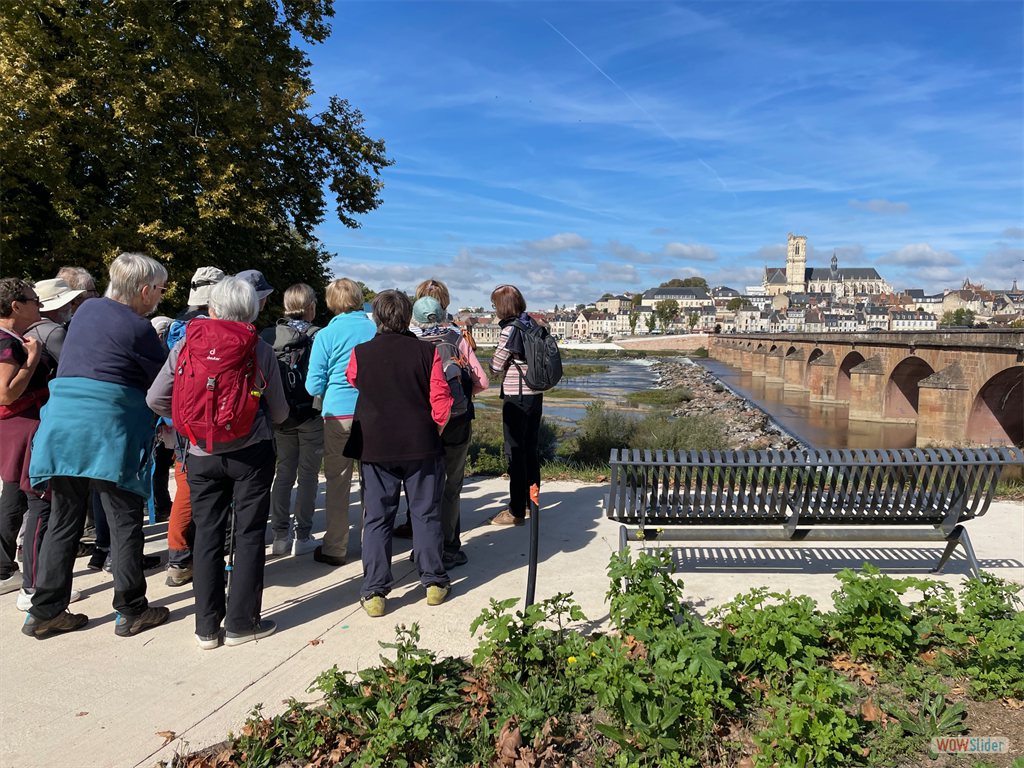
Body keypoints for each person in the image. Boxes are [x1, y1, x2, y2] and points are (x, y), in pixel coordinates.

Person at [25, 253, 170, 639]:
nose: (160, 296)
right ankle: (131, 609)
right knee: (124, 521)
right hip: (108, 433)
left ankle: (45, 611)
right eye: (160, 289)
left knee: (63, 520)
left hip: (61, 429)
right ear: (144, 291)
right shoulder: (139, 328)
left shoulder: (85, 312)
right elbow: (164, 381)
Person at [147, 276, 288, 649]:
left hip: (199, 454)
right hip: (251, 453)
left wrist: (189, 423)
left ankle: (207, 628)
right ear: (253, 311)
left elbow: (155, 398)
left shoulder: (186, 344)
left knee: (207, 534)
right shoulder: (260, 349)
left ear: (211, 308)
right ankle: (242, 623)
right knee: (249, 534)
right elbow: (279, 412)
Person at [344, 289, 453, 617]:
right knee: (425, 513)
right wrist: (435, 429)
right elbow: (441, 399)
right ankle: (433, 582)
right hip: (420, 442)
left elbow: (353, 379)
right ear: (407, 317)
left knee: (377, 517)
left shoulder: (360, 352)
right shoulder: (427, 352)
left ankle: (375, 591)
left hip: (375, 443)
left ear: (376, 317)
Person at [410, 289, 489, 568]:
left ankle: (422, 547)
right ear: (443, 314)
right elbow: (482, 382)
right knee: (451, 487)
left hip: (420, 423)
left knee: (421, 488)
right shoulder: (456, 339)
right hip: (456, 422)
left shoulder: (409, 342)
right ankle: (450, 547)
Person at [303, 278, 375, 566]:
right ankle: (372, 541)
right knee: (372, 481)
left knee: (337, 481)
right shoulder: (374, 329)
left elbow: (312, 385)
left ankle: (335, 546)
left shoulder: (326, 335)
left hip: (338, 415)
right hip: (371, 413)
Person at [162, 266, 226, 587]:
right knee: (189, 489)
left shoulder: (178, 324)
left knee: (186, 482)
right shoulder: (205, 328)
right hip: (201, 419)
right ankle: (180, 557)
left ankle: (184, 555)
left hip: (180, 417)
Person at [265, 283, 324, 557]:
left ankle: (280, 535)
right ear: (310, 306)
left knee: (284, 473)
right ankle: (302, 535)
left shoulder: (269, 335)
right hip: (310, 413)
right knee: (308, 475)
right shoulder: (318, 335)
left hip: (280, 414)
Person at [0, 279, 49, 597]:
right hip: (21, 426)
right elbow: (5, 393)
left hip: (17, 428)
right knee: (39, 501)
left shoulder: (11, 339)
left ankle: (11, 574)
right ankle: (35, 588)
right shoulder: (7, 343)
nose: (39, 305)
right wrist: (32, 359)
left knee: (16, 496)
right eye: (34, 300)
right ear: (15, 306)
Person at [488, 284, 542, 526]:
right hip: (535, 393)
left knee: (515, 452)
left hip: (517, 395)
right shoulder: (532, 324)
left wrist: (493, 363)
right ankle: (532, 503)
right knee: (531, 450)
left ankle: (516, 510)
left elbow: (496, 365)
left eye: (494, 305)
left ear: (503, 306)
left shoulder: (510, 330)